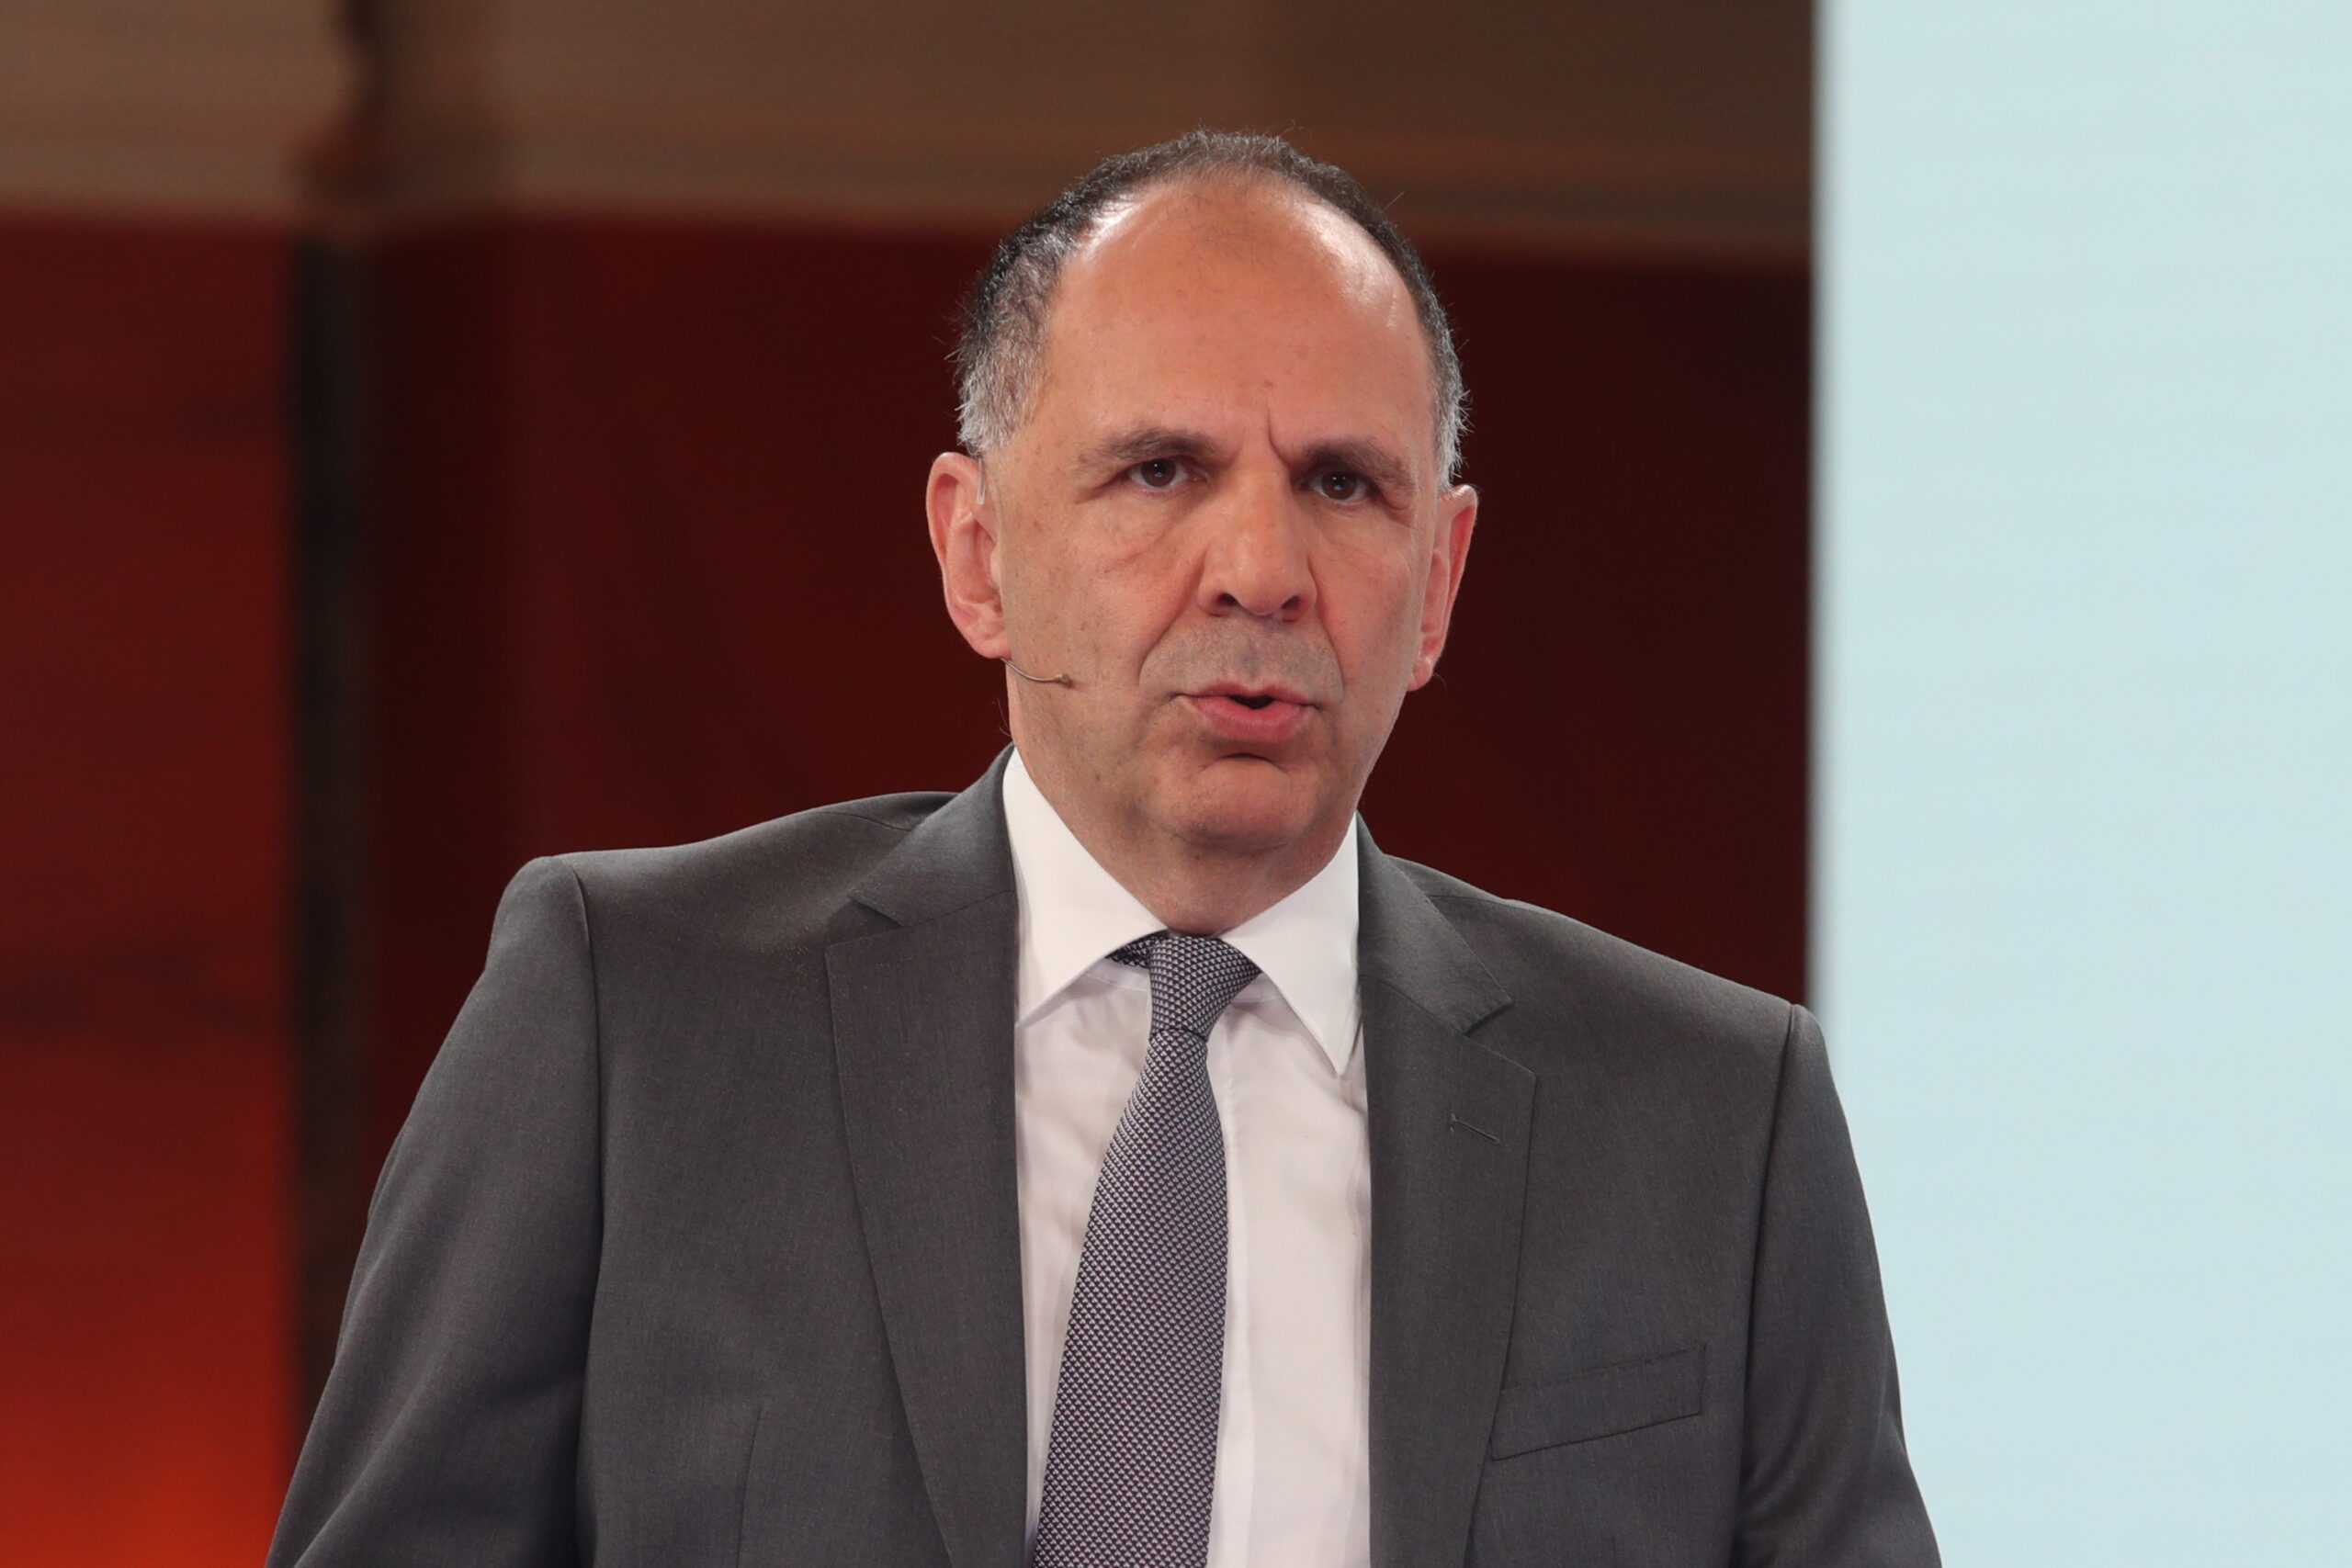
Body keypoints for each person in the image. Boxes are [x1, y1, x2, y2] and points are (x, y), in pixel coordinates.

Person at [267, 131, 1939, 1568]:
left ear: (1437, 585)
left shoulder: (1715, 1119)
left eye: (1345, 486)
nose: (1261, 569)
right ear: (977, 552)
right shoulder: (634, 1018)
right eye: (1160, 470)